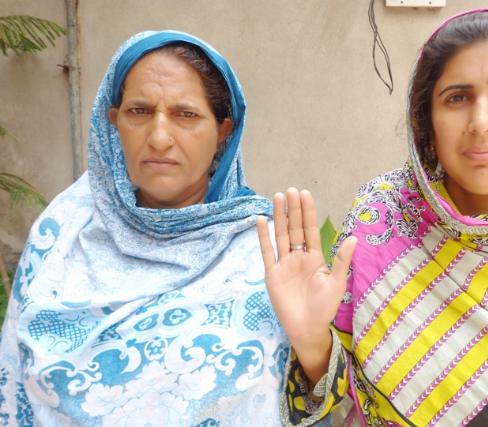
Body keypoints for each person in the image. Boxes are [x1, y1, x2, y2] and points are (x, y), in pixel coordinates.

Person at [258, 9, 488, 426]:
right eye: (457, 98)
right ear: (427, 122)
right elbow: (340, 395)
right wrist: (310, 341)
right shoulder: (381, 222)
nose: (481, 123)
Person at [0, 31, 289, 426]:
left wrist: (315, 350)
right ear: (113, 121)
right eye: (139, 111)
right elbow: (12, 386)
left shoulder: (267, 253)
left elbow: (303, 395)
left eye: (186, 115)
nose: (159, 138)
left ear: (223, 130)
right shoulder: (62, 234)